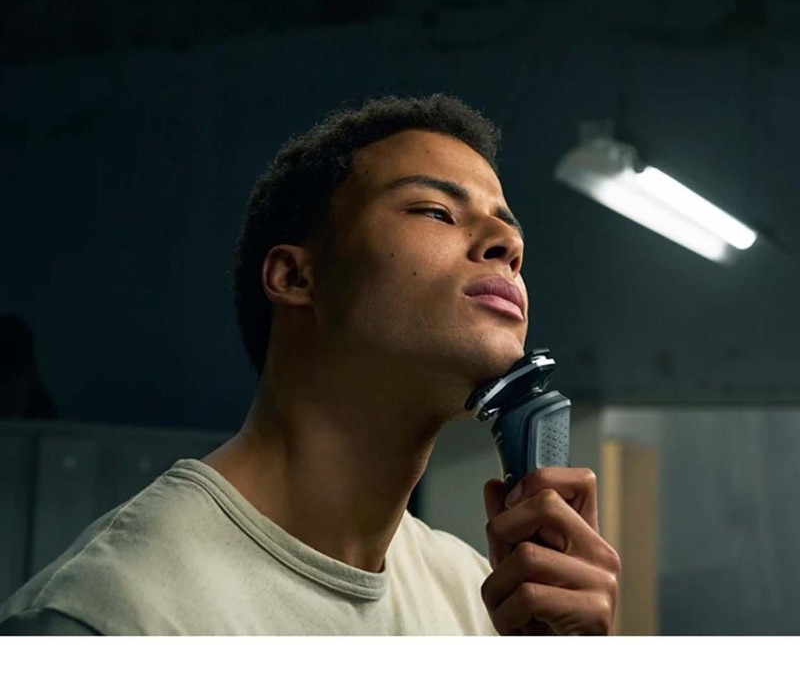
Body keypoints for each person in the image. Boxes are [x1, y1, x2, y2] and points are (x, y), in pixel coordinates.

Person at [0, 93, 620, 635]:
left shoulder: (480, 600)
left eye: (509, 234)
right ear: (295, 277)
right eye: (435, 211)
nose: (509, 246)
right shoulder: (108, 618)